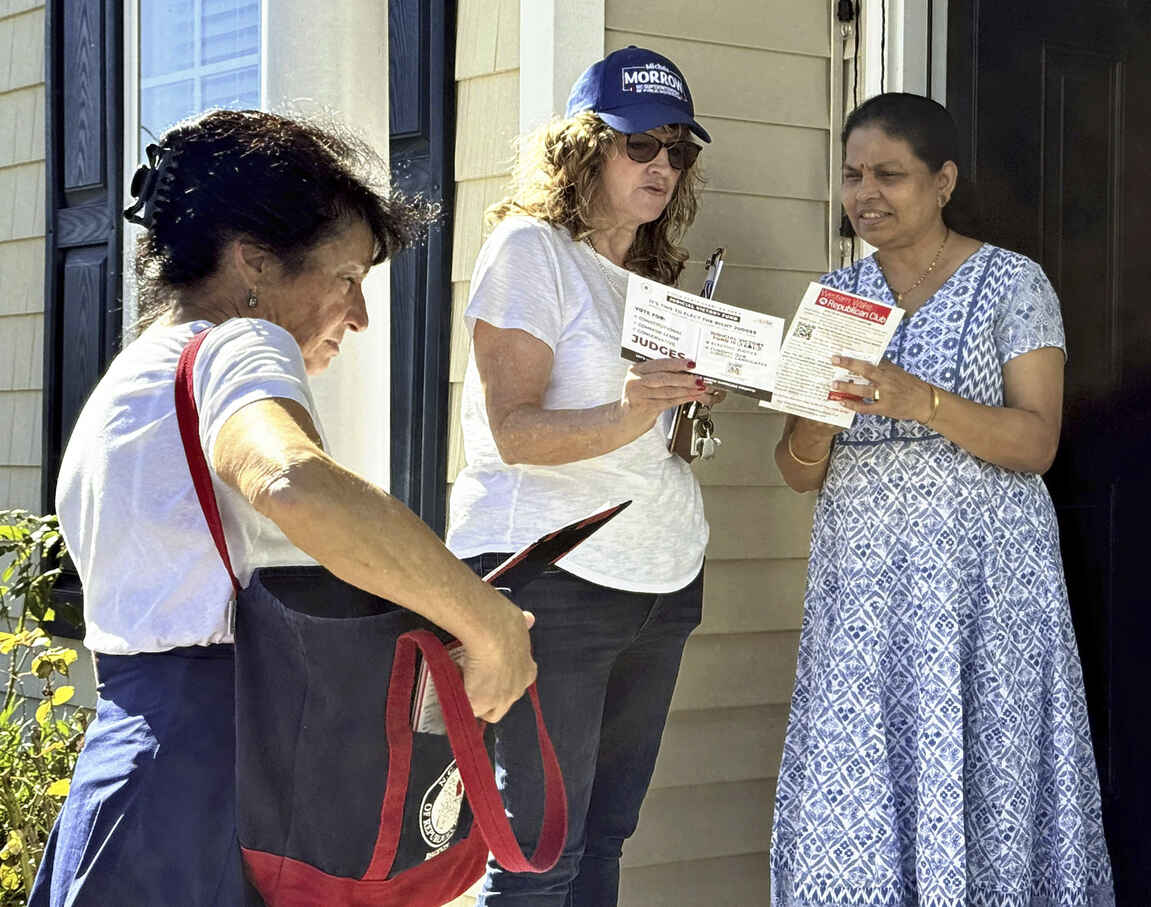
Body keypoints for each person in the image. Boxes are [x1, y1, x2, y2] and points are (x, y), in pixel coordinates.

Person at [29, 109, 537, 907]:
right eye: (347, 277)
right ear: (254, 264)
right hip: (219, 783)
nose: (362, 315)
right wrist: (486, 620)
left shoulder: (127, 386)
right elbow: (292, 480)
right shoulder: (238, 343)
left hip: (134, 778)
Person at [769, 93, 1115, 907]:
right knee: (858, 776)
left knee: (989, 776)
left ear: (944, 180)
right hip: (865, 598)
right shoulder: (834, 295)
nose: (866, 193)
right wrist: (816, 426)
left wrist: (920, 400)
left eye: (890, 174)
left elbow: (1037, 442)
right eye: (853, 174)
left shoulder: (1011, 282)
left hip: (986, 589)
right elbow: (795, 468)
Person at [445, 46, 720, 906]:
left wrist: (691, 404)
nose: (664, 165)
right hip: (555, 582)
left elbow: (649, 442)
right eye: (642, 144)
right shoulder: (531, 250)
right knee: (537, 855)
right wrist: (636, 406)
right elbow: (515, 431)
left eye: (679, 149)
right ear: (583, 147)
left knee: (606, 836)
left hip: (662, 581)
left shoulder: (649, 280)